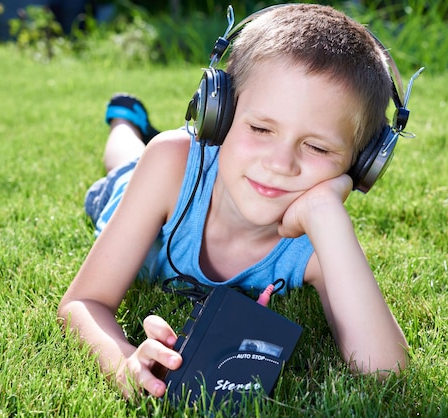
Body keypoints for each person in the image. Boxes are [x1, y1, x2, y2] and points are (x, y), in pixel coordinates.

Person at [58, 3, 409, 400]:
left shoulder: (319, 239)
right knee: (124, 159)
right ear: (218, 115)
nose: (279, 164)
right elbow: (83, 303)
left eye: (316, 147)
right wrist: (123, 361)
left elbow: (385, 369)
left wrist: (326, 213)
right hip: (133, 190)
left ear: (361, 165)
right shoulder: (169, 164)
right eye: (260, 128)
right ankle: (126, 120)